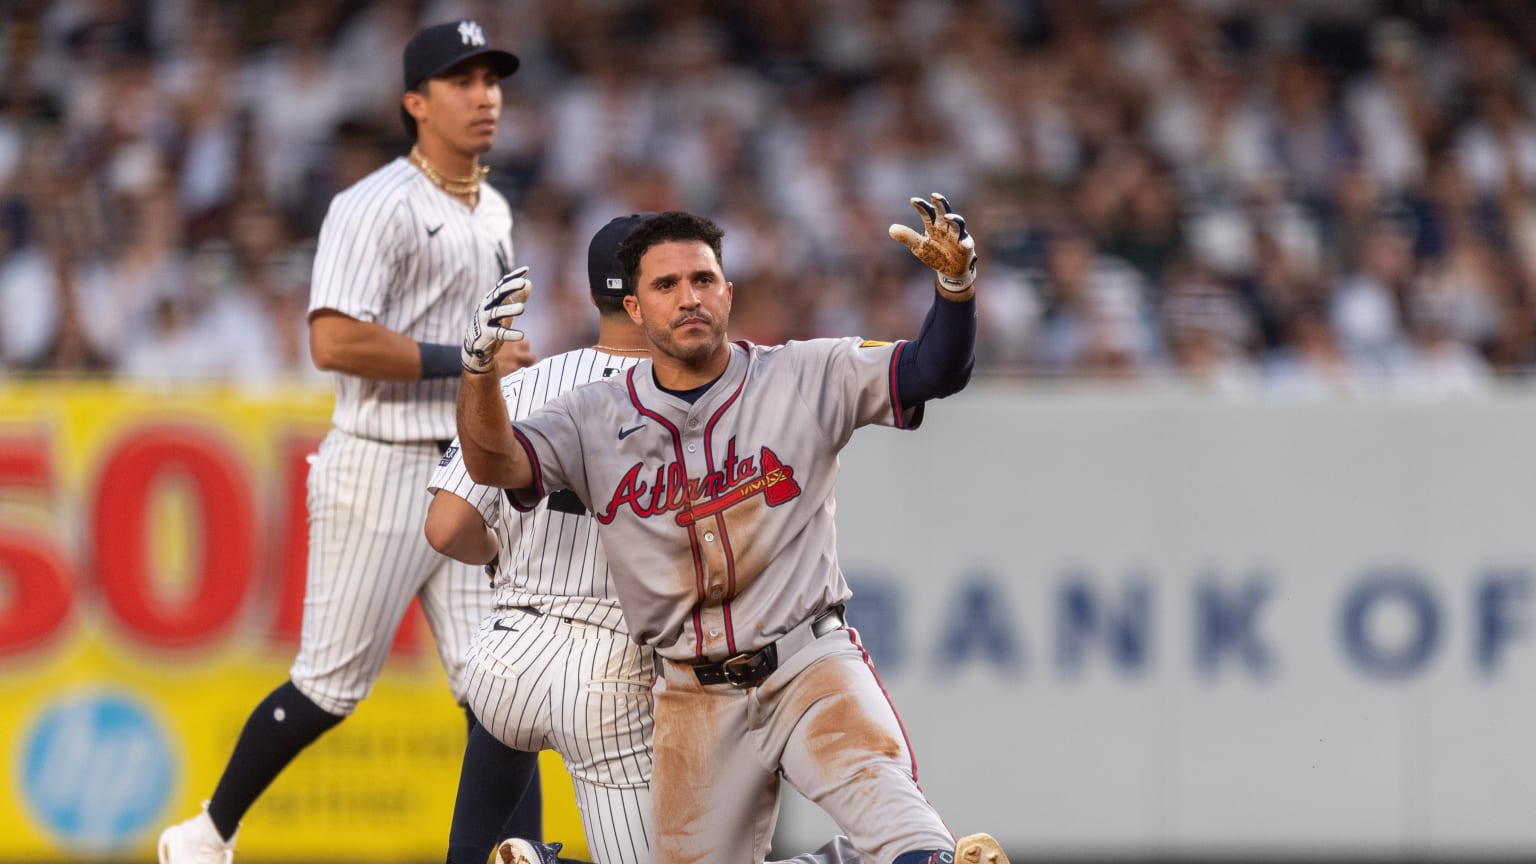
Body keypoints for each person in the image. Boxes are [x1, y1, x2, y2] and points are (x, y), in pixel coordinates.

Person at [453, 196, 1008, 864]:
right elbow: (495, 462)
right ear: (634, 308)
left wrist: (956, 291)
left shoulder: (805, 373)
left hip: (809, 667)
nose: (689, 298)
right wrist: (478, 377)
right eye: (666, 285)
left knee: (911, 844)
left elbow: (933, 370)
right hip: (693, 698)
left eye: (702, 280)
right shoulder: (589, 414)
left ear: (727, 292)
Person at [157, 20, 541, 863]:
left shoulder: (496, 206)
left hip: (464, 469)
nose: (484, 96)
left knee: (506, 695)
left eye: (492, 79)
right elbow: (331, 341)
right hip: (381, 464)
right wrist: (469, 357)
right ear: (415, 102)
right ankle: (206, 835)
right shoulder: (371, 205)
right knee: (330, 686)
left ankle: (514, 858)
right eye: (461, 81)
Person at [427, 214, 657, 864]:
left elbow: (445, 528)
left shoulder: (522, 383)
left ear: (594, 294)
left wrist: (507, 546)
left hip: (511, 651)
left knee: (471, 855)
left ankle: (527, 856)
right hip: (614, 662)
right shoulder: (693, 396)